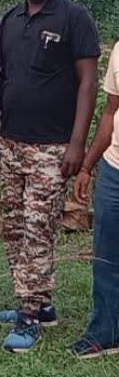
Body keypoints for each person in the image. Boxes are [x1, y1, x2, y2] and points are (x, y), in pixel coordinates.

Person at [0, 0, 99, 353]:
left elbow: (88, 84)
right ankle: (41, 302)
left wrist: (78, 144)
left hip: (53, 147)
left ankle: (29, 316)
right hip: (12, 143)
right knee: (14, 225)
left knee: (39, 229)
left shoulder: (75, 18)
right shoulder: (10, 19)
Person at [70, 43, 119, 358]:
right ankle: (106, 332)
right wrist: (88, 165)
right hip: (115, 169)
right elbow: (111, 111)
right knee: (106, 258)